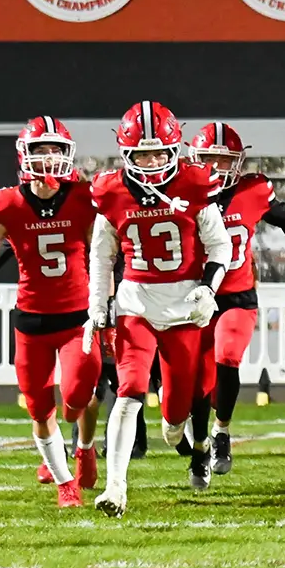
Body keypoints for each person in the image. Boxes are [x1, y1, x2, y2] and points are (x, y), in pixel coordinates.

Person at [0, 117, 100, 508]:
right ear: (24, 155)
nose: (48, 158)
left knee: (78, 398)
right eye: (40, 150)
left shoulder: (83, 197)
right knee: (39, 405)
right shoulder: (8, 203)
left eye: (55, 150)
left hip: (77, 316)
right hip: (31, 319)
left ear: (68, 154)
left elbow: (103, 257)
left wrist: (106, 309)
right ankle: (66, 485)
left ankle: (85, 446)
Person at [88, 101, 232, 516]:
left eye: (158, 153)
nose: (151, 163)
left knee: (175, 418)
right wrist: (99, 306)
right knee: (130, 391)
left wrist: (209, 288)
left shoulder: (193, 183)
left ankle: (186, 440)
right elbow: (101, 256)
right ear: (126, 155)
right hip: (137, 301)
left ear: (174, 150)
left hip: (185, 305)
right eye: (142, 154)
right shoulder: (110, 190)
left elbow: (220, 245)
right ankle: (115, 488)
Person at [189, 122, 285, 475]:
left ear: (237, 163)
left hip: (237, 296)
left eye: (223, 161)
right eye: (208, 160)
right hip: (192, 296)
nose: (215, 168)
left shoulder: (253, 191)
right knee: (194, 380)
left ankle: (221, 431)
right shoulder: (182, 191)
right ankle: (196, 446)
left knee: (227, 358)